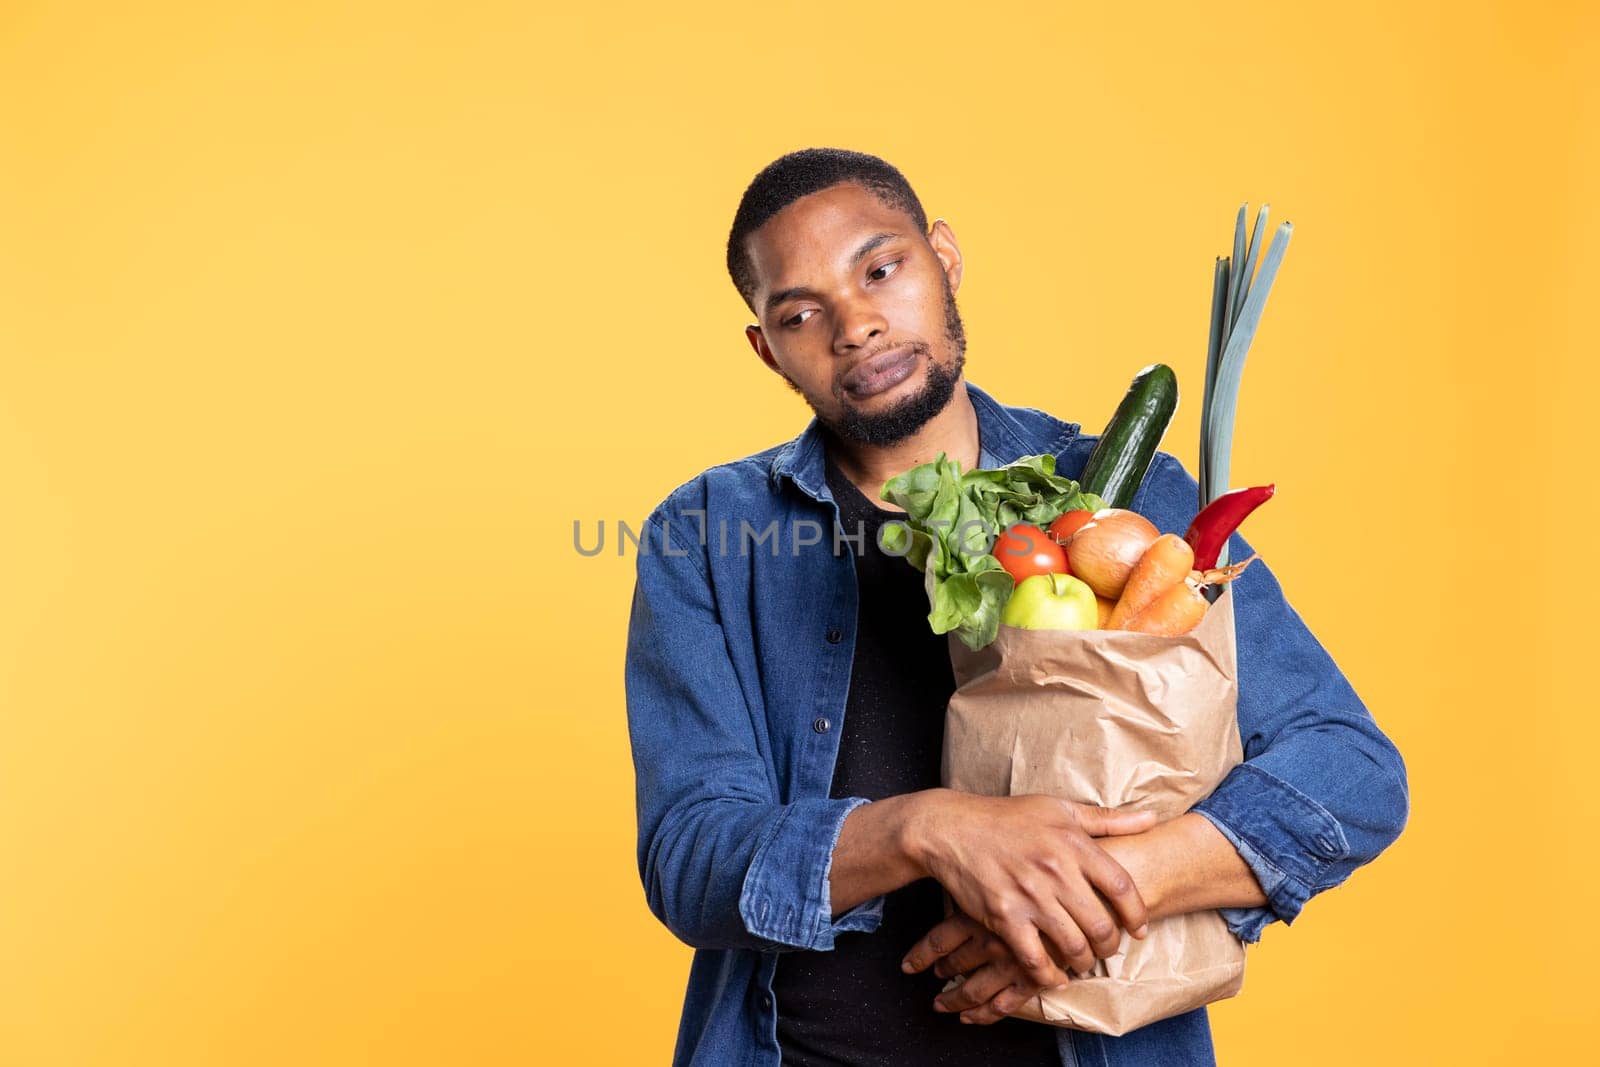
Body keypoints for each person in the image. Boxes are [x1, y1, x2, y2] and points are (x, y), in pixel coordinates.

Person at [623, 147, 1409, 1067]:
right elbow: (692, 856)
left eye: (882, 269)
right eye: (802, 313)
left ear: (944, 258)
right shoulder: (708, 532)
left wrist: (1101, 887)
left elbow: (1353, 773)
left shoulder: (1130, 498)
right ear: (767, 348)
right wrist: (932, 828)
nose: (857, 325)